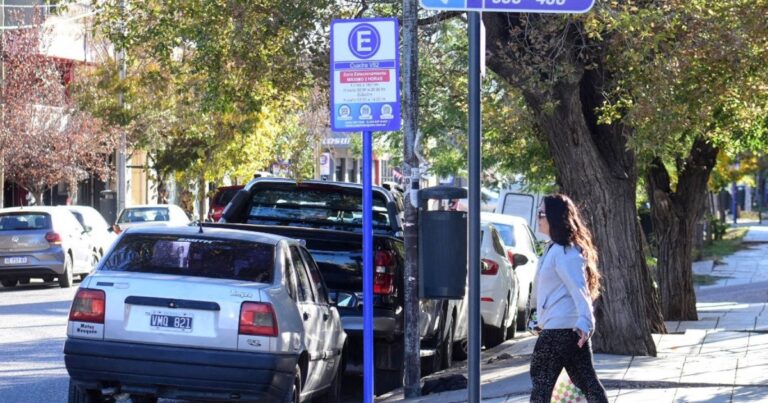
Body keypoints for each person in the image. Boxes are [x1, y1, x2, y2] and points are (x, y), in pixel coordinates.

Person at [530, 194, 608, 403]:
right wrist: (539, 320)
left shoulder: (565, 252)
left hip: (561, 330)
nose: (538, 218)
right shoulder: (555, 249)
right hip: (565, 328)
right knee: (588, 383)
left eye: (541, 214)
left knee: (541, 385)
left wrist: (585, 322)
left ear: (554, 217)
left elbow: (579, 289)